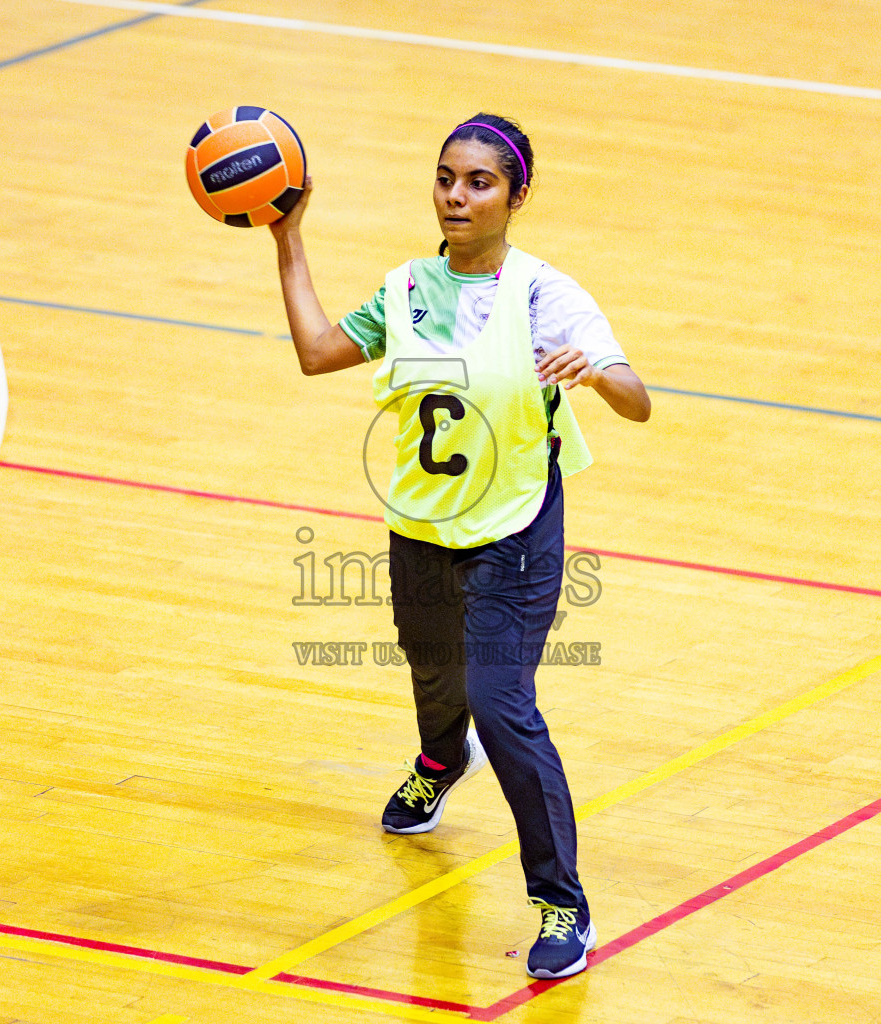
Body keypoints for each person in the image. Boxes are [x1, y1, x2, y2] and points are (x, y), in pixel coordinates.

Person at [269, 112, 650, 980]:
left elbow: (639, 401)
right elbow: (317, 352)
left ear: (516, 196)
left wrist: (594, 372)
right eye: (446, 178)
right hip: (421, 524)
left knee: (502, 701)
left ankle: (563, 905)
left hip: (515, 526)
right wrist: (287, 239)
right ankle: (442, 759)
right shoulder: (405, 289)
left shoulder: (546, 295)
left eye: (478, 182)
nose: (456, 195)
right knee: (433, 671)